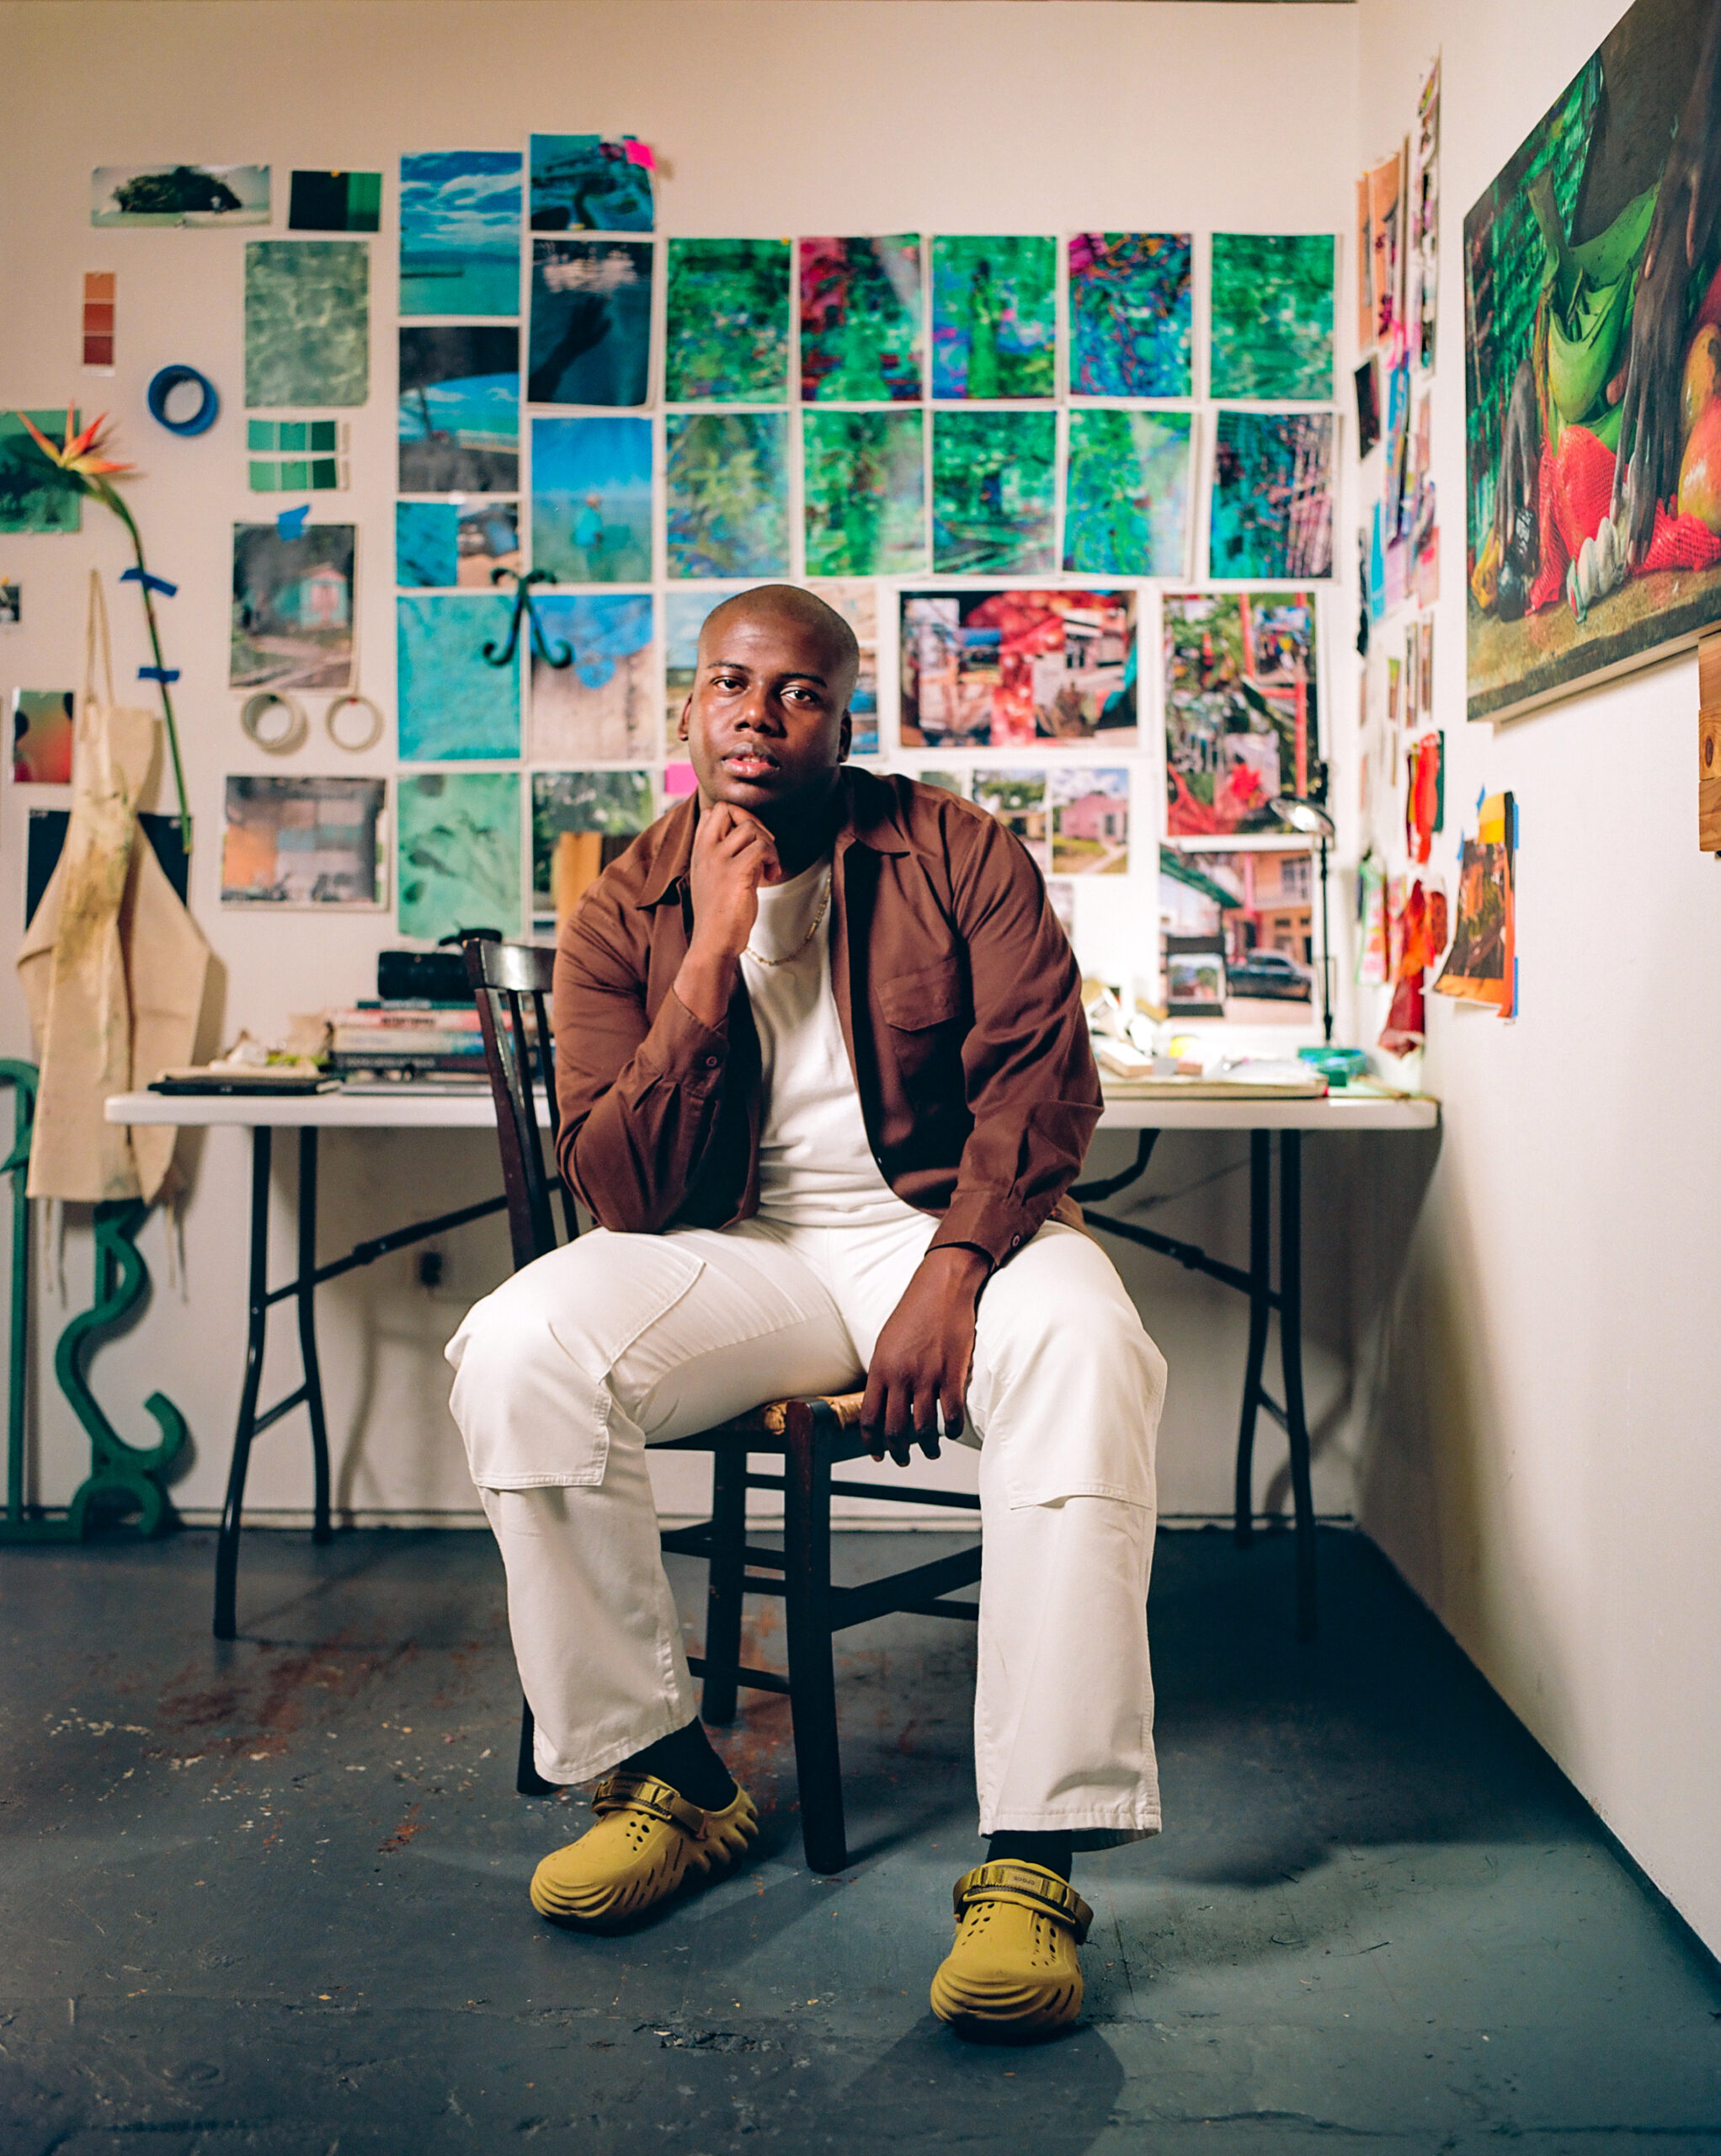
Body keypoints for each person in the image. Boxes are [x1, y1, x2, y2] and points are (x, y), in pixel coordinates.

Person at [446, 584, 1167, 2042]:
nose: (759, 718)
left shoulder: (957, 847)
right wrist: (710, 952)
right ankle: (670, 1779)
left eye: (798, 694)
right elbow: (624, 1189)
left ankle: (1034, 1858)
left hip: (949, 1230)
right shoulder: (627, 903)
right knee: (521, 1343)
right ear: (692, 707)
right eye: (730, 686)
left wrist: (954, 1273)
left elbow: (1042, 1084)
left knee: (1094, 1350)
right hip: (745, 1257)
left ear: (847, 715)